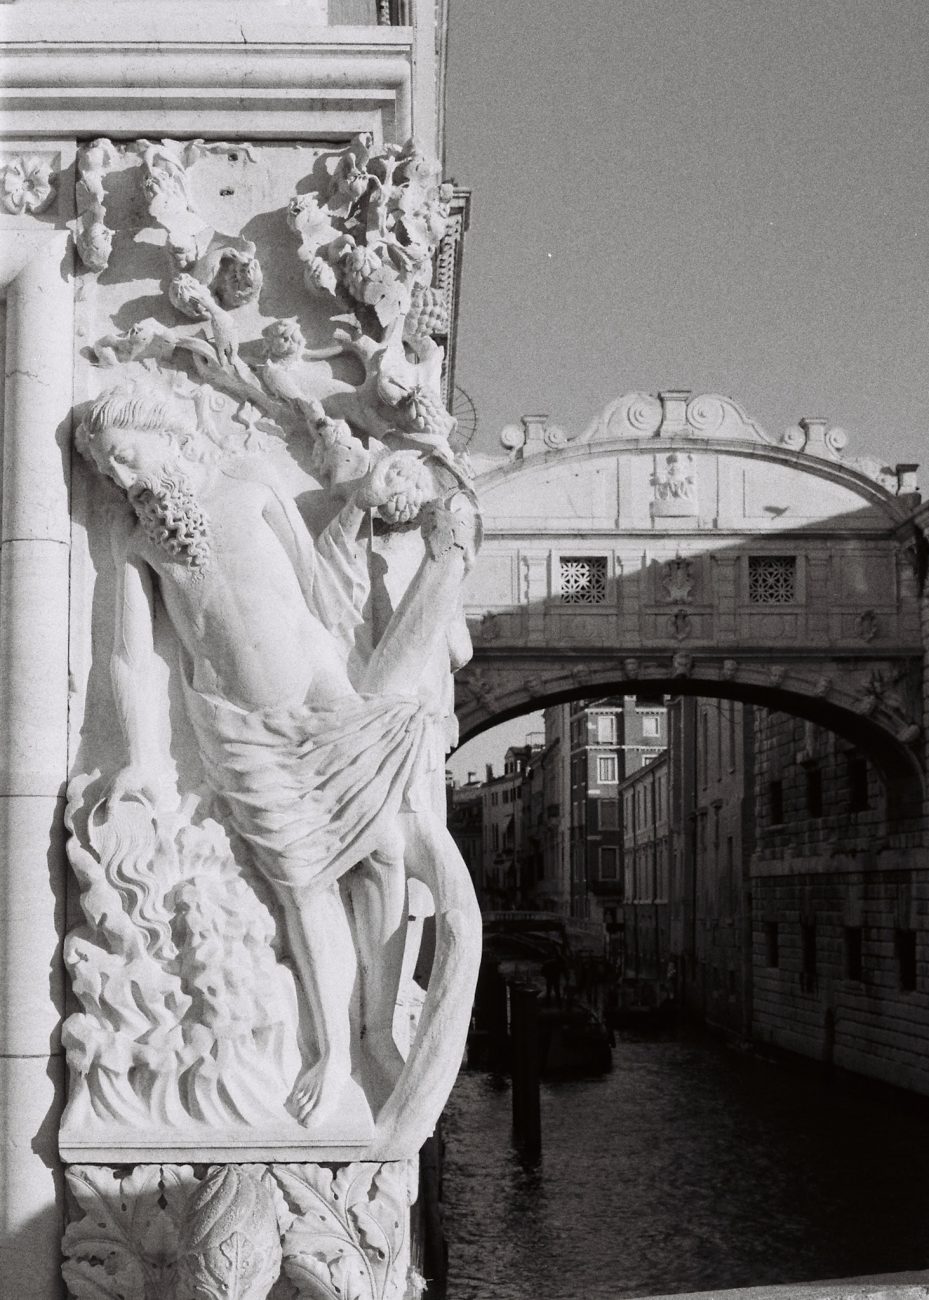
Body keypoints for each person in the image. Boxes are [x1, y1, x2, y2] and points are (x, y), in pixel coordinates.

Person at [76, 390, 481, 1140]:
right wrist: (141, 757)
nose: (120, 476)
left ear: (165, 432)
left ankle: (377, 1031)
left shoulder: (251, 490)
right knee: (304, 886)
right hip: (241, 731)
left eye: (125, 454)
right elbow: (134, 655)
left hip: (326, 705)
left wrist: (365, 512)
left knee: (385, 854)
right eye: (103, 470)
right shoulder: (138, 546)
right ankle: (331, 1054)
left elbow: (319, 591)